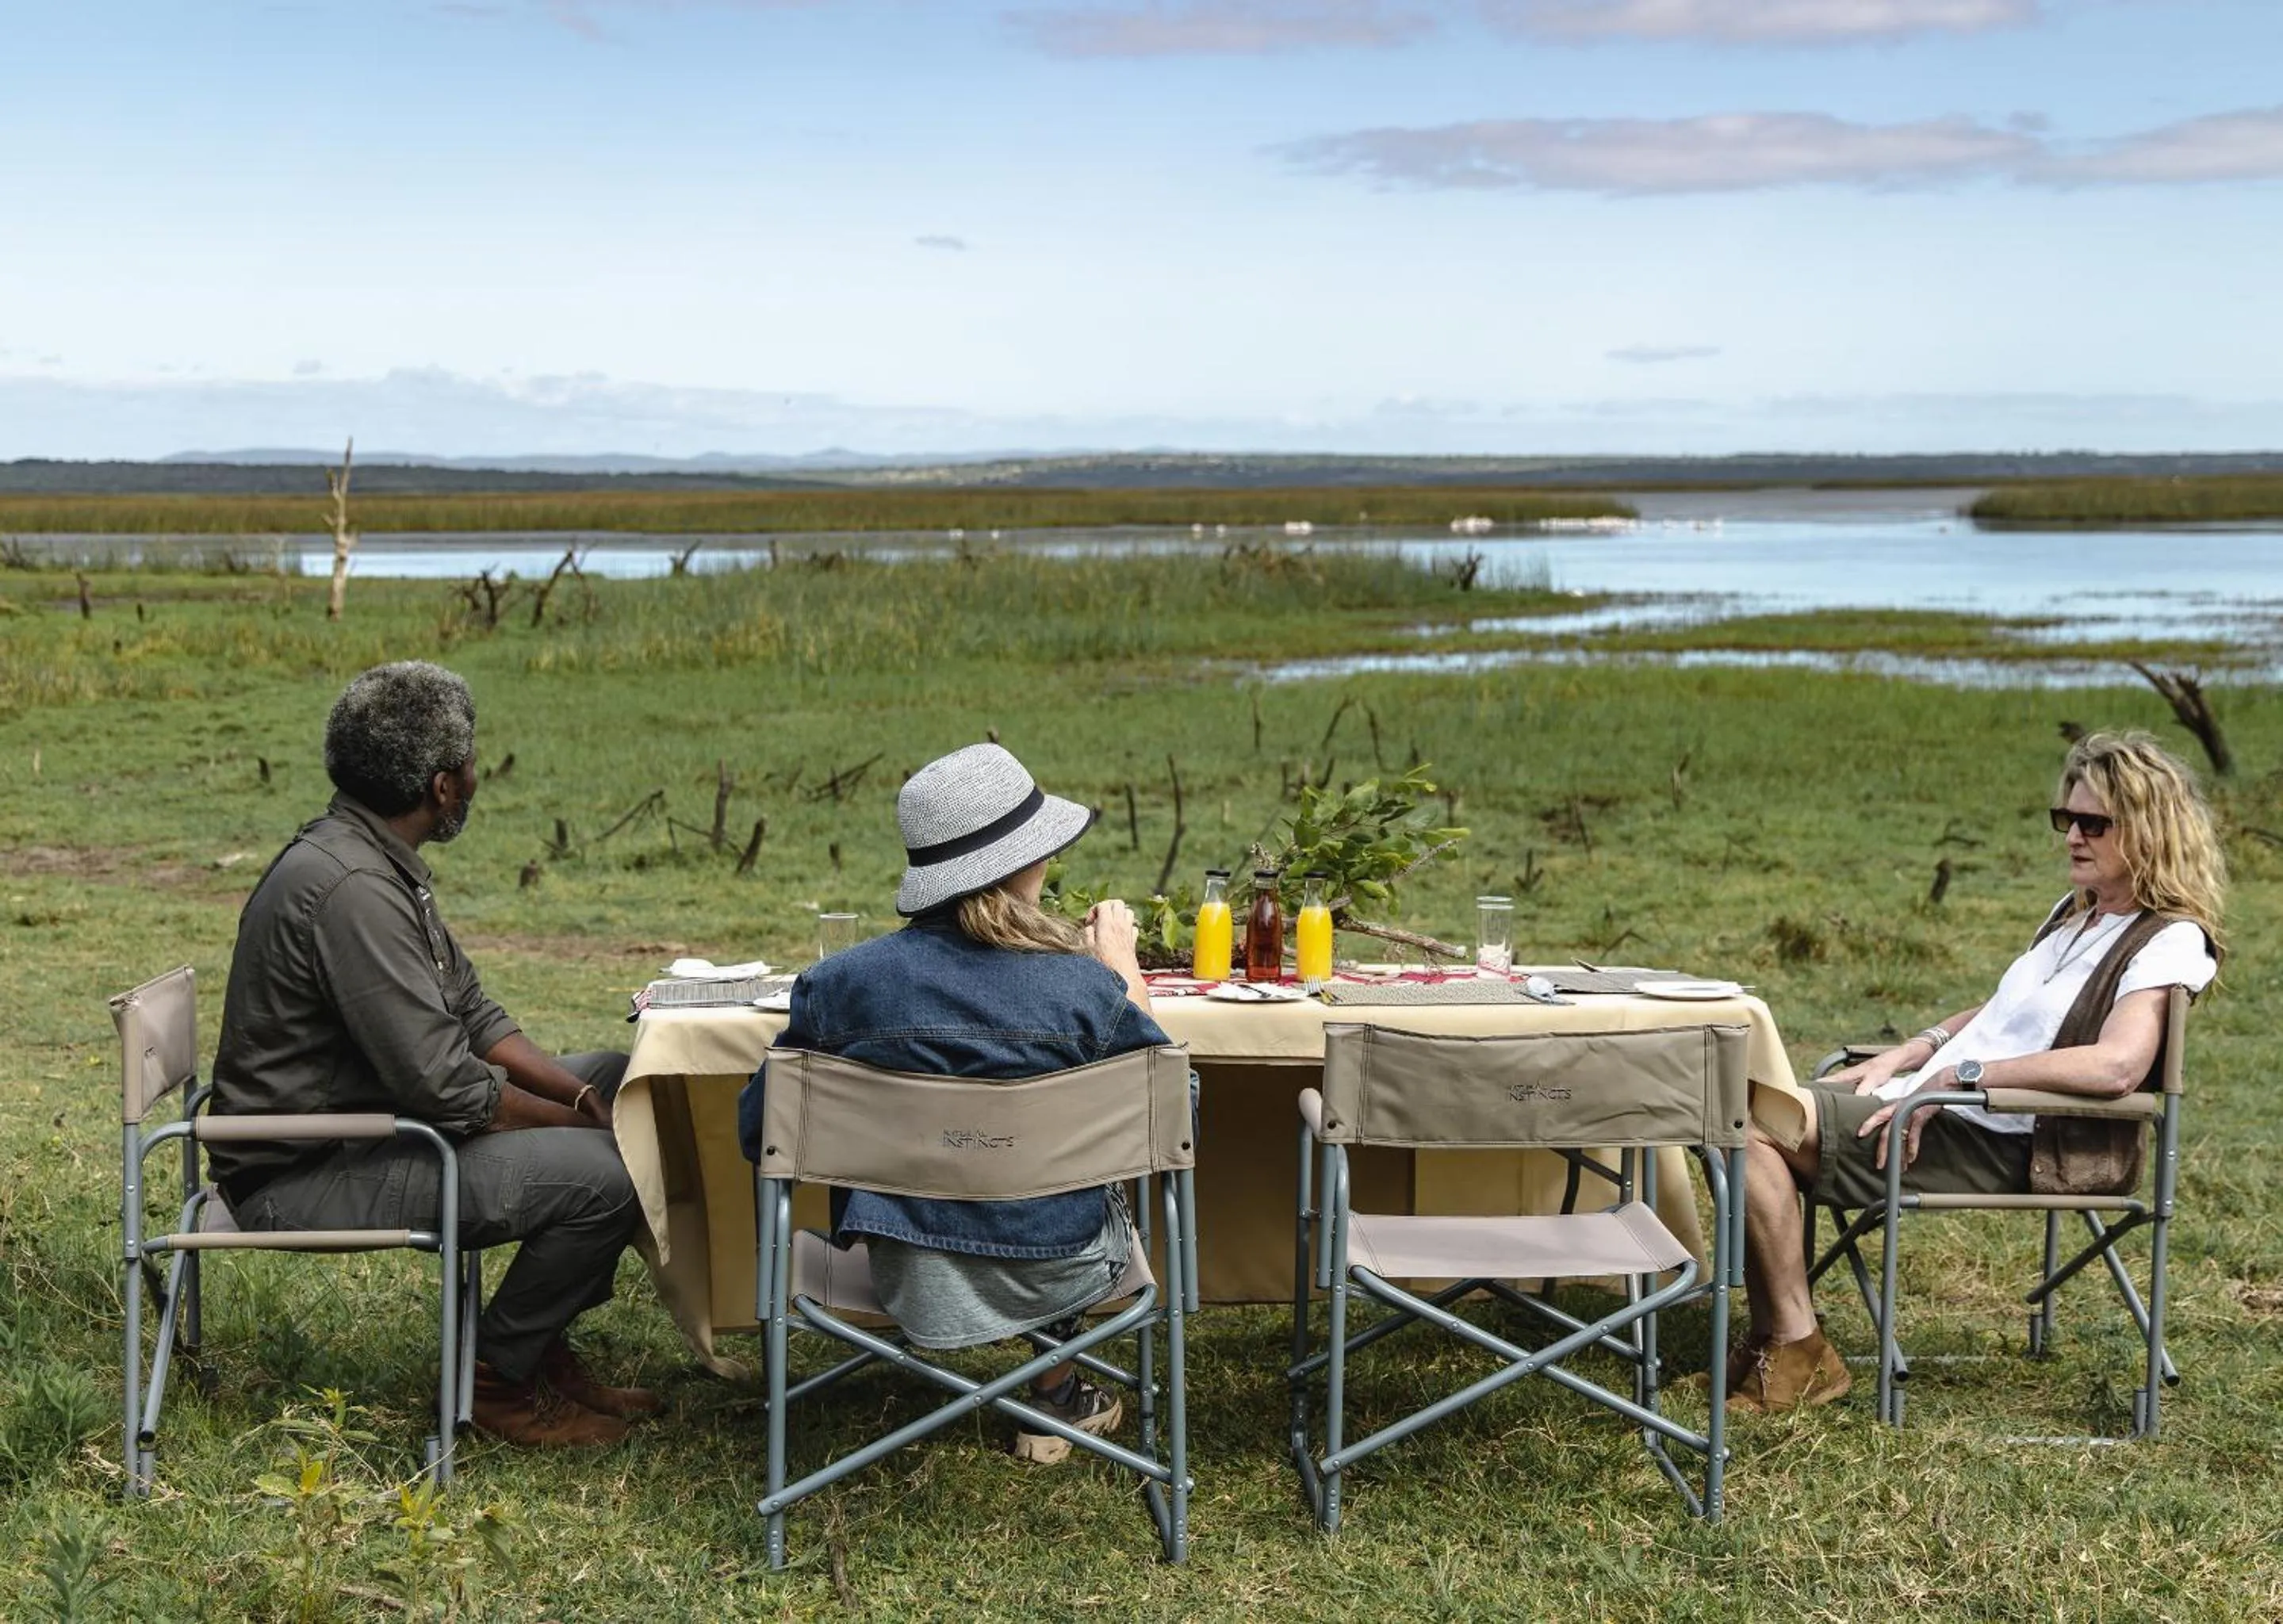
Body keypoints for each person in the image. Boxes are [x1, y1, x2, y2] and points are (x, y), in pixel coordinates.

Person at [209, 661, 658, 1447]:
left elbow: (473, 1012)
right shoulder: (350, 887)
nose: (476, 778)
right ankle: (494, 1380)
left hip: (363, 1127)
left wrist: (582, 1095)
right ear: (443, 786)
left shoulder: (373, 856)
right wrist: (585, 1130)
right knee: (614, 1171)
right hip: (306, 1170)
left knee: (625, 1084)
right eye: (470, 766)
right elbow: (449, 1089)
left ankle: (542, 1345)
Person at [1731, 730, 2226, 1412]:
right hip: (1935, 1106)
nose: (2072, 837)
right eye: (2066, 819)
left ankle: (1795, 1348)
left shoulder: (2167, 937)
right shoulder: (2076, 915)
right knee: (1737, 1112)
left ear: (2149, 830)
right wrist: (1917, 1049)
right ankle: (1776, 1343)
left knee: (1749, 1124)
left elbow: (2117, 1065)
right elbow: (2009, 1009)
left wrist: (1960, 1076)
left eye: (2094, 823)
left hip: (2010, 1138)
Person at [737, 741, 1170, 1463]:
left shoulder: (838, 984)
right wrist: (1120, 969)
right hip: (1063, 1264)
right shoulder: (1084, 989)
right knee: (1065, 1178)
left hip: (905, 1272)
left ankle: (1052, 1392)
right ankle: (1056, 1396)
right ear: (1024, 864)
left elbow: (763, 1128)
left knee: (1013, 1183)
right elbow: (1168, 1113)